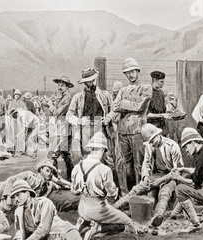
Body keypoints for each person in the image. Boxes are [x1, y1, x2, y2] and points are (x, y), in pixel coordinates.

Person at [8, 179, 110, 240]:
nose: (16, 199)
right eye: (14, 197)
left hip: (65, 232)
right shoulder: (18, 212)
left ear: (27, 193)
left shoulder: (44, 202)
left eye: (18, 195)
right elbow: (19, 231)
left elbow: (43, 229)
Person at [70, 132, 141, 240]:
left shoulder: (77, 167)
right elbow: (112, 195)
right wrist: (114, 193)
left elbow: (74, 191)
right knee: (129, 224)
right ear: (102, 150)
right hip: (98, 209)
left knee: (95, 213)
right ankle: (98, 228)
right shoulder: (104, 169)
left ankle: (83, 223)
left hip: (82, 208)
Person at [114, 123, 184, 227]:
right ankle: (113, 208)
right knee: (136, 190)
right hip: (155, 176)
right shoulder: (150, 146)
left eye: (153, 141)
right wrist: (145, 176)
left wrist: (163, 180)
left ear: (158, 135)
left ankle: (158, 215)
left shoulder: (172, 146)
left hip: (170, 177)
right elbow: (146, 164)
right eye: (149, 142)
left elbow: (178, 171)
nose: (152, 144)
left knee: (164, 193)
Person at [113, 58, 152, 194]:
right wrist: (129, 105)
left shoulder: (146, 87)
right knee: (127, 165)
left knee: (140, 165)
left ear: (137, 71)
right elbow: (114, 106)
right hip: (123, 132)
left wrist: (123, 104)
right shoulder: (123, 90)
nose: (130, 75)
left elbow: (140, 107)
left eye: (132, 71)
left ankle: (141, 194)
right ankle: (130, 195)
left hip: (138, 132)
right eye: (127, 73)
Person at [66, 68, 115, 159]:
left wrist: (108, 118)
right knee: (87, 156)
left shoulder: (105, 95)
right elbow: (69, 115)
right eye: (88, 82)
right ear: (84, 83)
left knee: (105, 156)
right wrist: (78, 121)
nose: (91, 83)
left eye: (92, 81)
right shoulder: (78, 97)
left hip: (101, 128)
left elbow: (114, 111)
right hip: (85, 129)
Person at [0, 159, 76, 213]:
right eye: (47, 170)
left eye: (51, 171)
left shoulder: (48, 185)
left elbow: (59, 182)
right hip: (3, 189)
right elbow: (11, 180)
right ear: (40, 170)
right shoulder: (30, 176)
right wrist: (8, 197)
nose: (49, 173)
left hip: (17, 198)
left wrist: (71, 185)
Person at [49, 76, 75, 180]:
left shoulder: (67, 97)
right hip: (62, 128)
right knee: (65, 153)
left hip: (64, 128)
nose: (60, 87)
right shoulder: (62, 97)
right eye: (59, 85)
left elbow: (57, 112)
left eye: (62, 85)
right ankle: (70, 176)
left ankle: (53, 177)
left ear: (67, 87)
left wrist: (50, 105)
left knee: (55, 153)